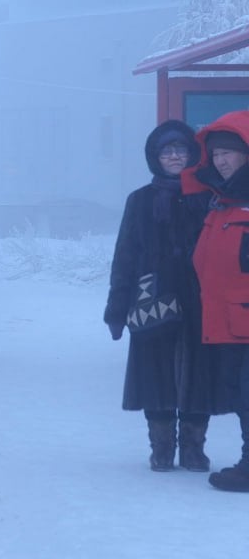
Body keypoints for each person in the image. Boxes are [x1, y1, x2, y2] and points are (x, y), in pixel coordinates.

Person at [104, 120, 221, 472]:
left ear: (192, 154)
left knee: (199, 374)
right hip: (150, 298)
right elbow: (124, 253)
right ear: (155, 157)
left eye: (180, 149)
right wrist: (117, 306)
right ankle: (161, 446)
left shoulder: (208, 197)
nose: (173, 156)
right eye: (166, 150)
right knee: (154, 375)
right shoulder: (139, 200)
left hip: (201, 301)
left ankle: (193, 447)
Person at [183, 111, 249, 491]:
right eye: (216, 154)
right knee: (242, 395)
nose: (220, 161)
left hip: (244, 320)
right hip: (230, 321)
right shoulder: (221, 202)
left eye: (228, 152)